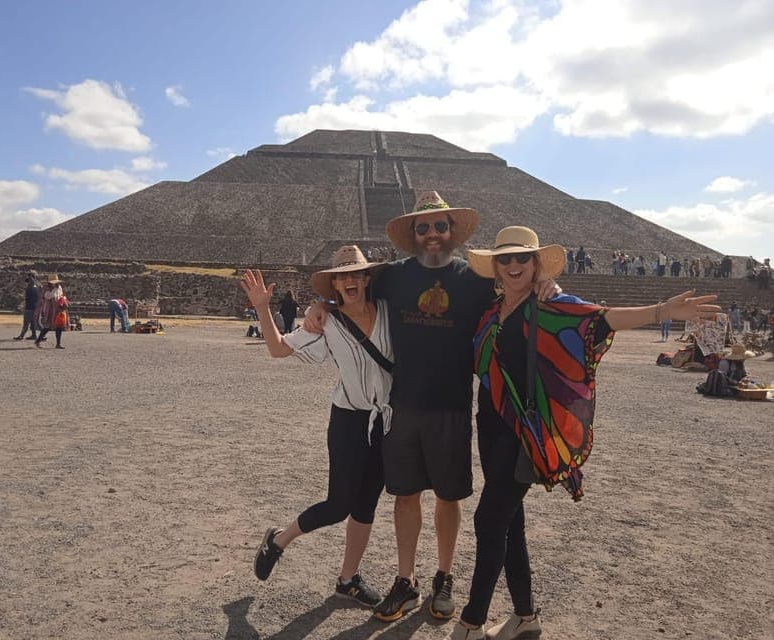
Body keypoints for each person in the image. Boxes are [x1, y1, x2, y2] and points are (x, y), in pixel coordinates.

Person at [449, 226, 718, 640]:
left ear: (536, 264)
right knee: (509, 522)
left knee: (489, 520)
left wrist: (662, 311)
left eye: (523, 258)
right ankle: (525, 617)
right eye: (506, 259)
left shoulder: (552, 305)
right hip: (491, 429)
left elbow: (600, 319)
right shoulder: (490, 310)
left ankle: (471, 621)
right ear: (496, 269)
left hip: (528, 434)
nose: (514, 265)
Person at [305, 192, 559, 623]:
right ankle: (406, 580)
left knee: (448, 495)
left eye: (440, 226)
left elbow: (516, 287)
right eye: (423, 228)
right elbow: (351, 289)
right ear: (413, 235)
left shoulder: (475, 280)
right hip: (401, 405)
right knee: (405, 495)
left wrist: (545, 284)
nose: (432, 235)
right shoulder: (392, 277)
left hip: (451, 407)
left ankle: (443, 576)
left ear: (452, 232)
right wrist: (320, 304)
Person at [241, 246, 390, 608]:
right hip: (348, 420)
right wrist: (263, 307)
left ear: (367, 278)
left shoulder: (390, 311)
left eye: (357, 273)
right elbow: (278, 350)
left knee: (367, 504)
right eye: (342, 275)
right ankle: (278, 540)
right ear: (334, 284)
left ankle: (347, 579)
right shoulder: (328, 323)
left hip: (387, 420)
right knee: (339, 504)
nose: (350, 280)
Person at [34, 274, 68, 349]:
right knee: (47, 327)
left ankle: (58, 344)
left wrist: (62, 301)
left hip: (58, 309)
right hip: (50, 310)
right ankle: (38, 341)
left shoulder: (59, 288)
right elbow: (47, 296)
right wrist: (54, 290)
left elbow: (61, 295)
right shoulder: (46, 289)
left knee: (59, 326)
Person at [13, 272, 41, 340]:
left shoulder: (30, 288)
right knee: (33, 323)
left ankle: (21, 336)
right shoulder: (37, 287)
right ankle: (34, 335)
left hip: (30, 308)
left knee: (26, 323)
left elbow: (28, 299)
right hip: (34, 307)